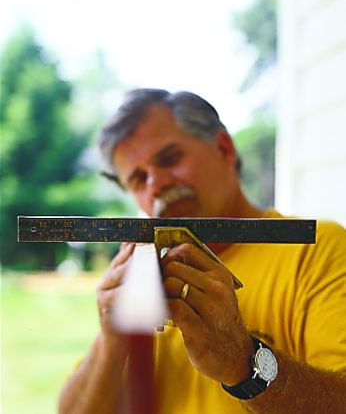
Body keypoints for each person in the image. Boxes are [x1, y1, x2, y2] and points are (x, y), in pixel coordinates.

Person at [58, 89, 346, 413]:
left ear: (224, 149)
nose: (156, 184)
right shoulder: (148, 272)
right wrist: (111, 342)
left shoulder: (317, 249)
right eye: (139, 179)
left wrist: (243, 362)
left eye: (169, 159)